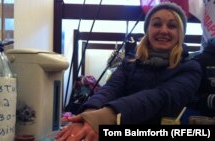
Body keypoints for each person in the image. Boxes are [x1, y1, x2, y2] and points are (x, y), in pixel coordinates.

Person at [56, 2, 202, 141]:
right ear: (148, 30)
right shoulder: (129, 63)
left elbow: (159, 98)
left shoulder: (190, 69)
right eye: (157, 24)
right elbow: (110, 89)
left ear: (180, 33)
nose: (164, 30)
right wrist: (89, 115)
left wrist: (104, 116)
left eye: (172, 26)